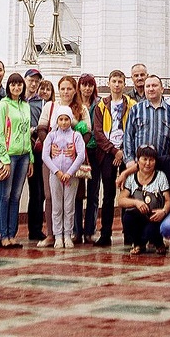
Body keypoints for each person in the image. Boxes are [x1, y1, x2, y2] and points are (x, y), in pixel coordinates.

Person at [93, 69, 132, 246]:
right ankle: (105, 233)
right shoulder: (102, 105)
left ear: (125, 84)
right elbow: (98, 132)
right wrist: (113, 150)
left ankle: (129, 233)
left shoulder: (131, 104)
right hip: (108, 154)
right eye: (114, 81)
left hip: (126, 153)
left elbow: (133, 129)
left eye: (120, 81)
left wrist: (122, 150)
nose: (117, 85)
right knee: (108, 195)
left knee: (127, 192)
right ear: (109, 83)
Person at [0, 71, 33, 248]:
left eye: (19, 84)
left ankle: (12, 233)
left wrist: (31, 158)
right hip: (9, 156)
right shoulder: (4, 105)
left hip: (24, 155)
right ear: (8, 87)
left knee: (16, 196)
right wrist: (4, 158)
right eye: (13, 84)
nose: (16, 87)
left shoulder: (25, 105)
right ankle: (3, 234)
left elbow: (27, 133)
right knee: (5, 195)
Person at [43, 105, 87, 248]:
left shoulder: (76, 136)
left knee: (69, 206)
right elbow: (45, 155)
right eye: (60, 119)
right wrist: (57, 171)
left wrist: (69, 172)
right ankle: (57, 236)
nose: (63, 122)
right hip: (55, 176)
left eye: (66, 119)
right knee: (57, 206)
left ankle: (68, 234)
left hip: (71, 176)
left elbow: (81, 155)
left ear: (70, 120)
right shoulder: (51, 136)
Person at [76, 73, 112, 245]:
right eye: (84, 85)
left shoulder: (99, 104)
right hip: (77, 152)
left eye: (90, 85)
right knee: (76, 193)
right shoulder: (74, 105)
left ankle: (89, 230)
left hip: (95, 152)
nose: (87, 88)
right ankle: (76, 230)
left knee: (93, 192)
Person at [116, 144, 170, 254]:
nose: (147, 163)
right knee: (128, 218)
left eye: (151, 160)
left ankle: (159, 243)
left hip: (155, 217)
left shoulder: (161, 176)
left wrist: (163, 211)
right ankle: (138, 244)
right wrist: (136, 202)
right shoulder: (131, 178)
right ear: (138, 161)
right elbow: (121, 200)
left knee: (151, 231)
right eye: (144, 159)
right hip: (139, 216)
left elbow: (168, 200)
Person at [123, 75, 170, 160]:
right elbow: (128, 136)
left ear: (162, 89)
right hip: (140, 164)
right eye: (148, 86)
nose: (151, 89)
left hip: (163, 163)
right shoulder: (136, 109)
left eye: (154, 85)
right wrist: (129, 159)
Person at [27, 76, 53, 243]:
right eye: (41, 88)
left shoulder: (52, 107)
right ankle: (33, 229)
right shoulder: (29, 104)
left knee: (43, 193)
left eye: (47, 89)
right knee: (35, 192)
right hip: (31, 151)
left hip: (48, 152)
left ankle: (40, 228)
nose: (44, 91)